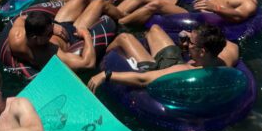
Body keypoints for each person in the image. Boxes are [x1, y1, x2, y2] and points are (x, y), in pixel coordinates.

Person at [87, 24, 237, 92]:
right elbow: (231, 45)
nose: (188, 43)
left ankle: (101, 59)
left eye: (191, 42)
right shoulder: (227, 56)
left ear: (203, 51)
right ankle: (146, 43)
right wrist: (191, 45)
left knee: (124, 37)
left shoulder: (185, 71)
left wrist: (106, 74)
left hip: (161, 70)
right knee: (155, 29)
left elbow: (143, 80)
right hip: (180, 60)